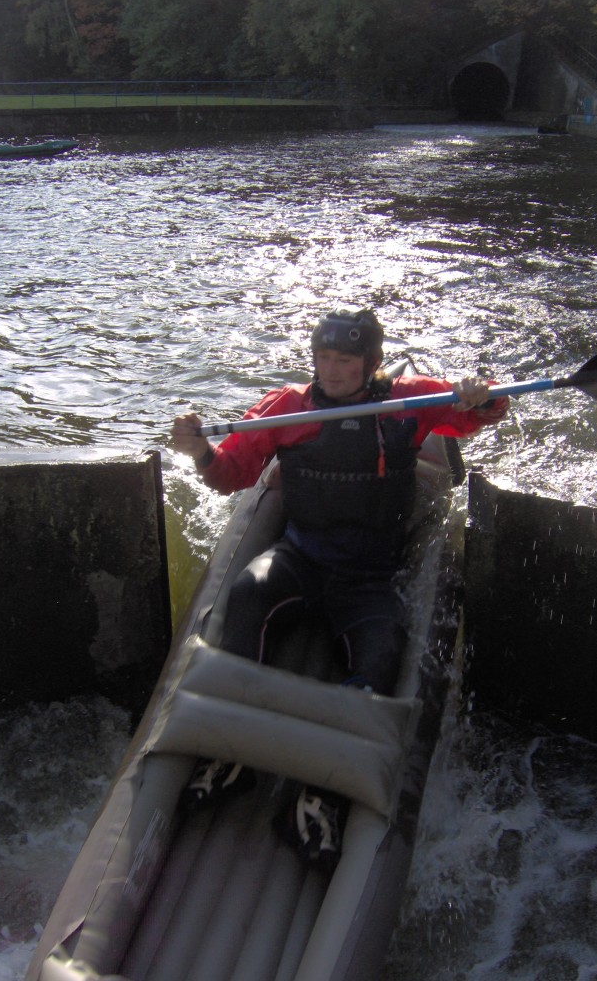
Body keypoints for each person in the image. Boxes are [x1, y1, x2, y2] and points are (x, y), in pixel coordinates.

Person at [171, 308, 509, 864]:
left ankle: (319, 796)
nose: (330, 370)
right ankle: (231, 757)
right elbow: (231, 473)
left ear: (371, 364)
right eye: (323, 358)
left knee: (383, 649)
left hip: (368, 575)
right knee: (249, 593)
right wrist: (200, 451)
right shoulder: (287, 406)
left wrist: (481, 394)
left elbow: (474, 414)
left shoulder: (407, 401)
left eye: (345, 361)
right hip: (300, 556)